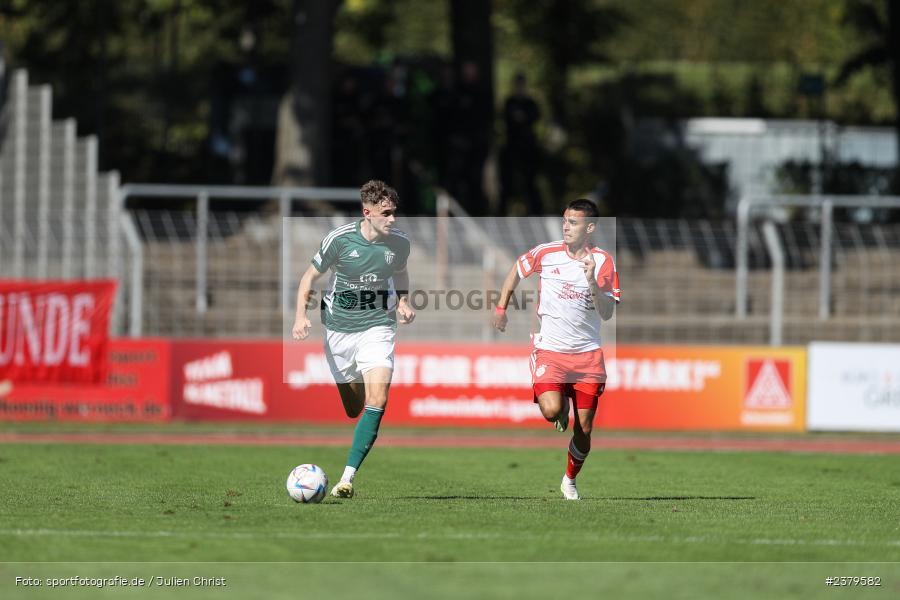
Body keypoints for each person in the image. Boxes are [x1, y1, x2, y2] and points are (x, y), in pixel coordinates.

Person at [292, 179, 415, 499]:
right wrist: (300, 316)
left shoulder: (399, 243)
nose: (393, 219)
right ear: (368, 212)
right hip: (338, 332)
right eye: (386, 213)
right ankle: (354, 386)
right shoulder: (340, 240)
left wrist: (402, 300)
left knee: (378, 400)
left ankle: (347, 478)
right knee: (353, 407)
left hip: (378, 327)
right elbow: (309, 277)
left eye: (394, 213)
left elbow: (400, 271)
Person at [492, 199, 620, 500]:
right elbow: (516, 270)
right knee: (551, 409)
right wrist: (501, 307)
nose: (566, 226)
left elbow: (607, 312)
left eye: (573, 222)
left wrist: (591, 281)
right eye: (564, 220)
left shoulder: (603, 262)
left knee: (585, 430)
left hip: (588, 356)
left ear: (589, 228)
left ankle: (569, 479)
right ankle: (561, 410)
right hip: (550, 350)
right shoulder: (546, 253)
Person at [500, 72, 542, 215]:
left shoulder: (530, 103)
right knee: (507, 184)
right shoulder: (509, 102)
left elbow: (533, 118)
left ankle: (536, 214)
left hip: (528, 148)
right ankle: (502, 214)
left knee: (530, 182)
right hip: (512, 147)